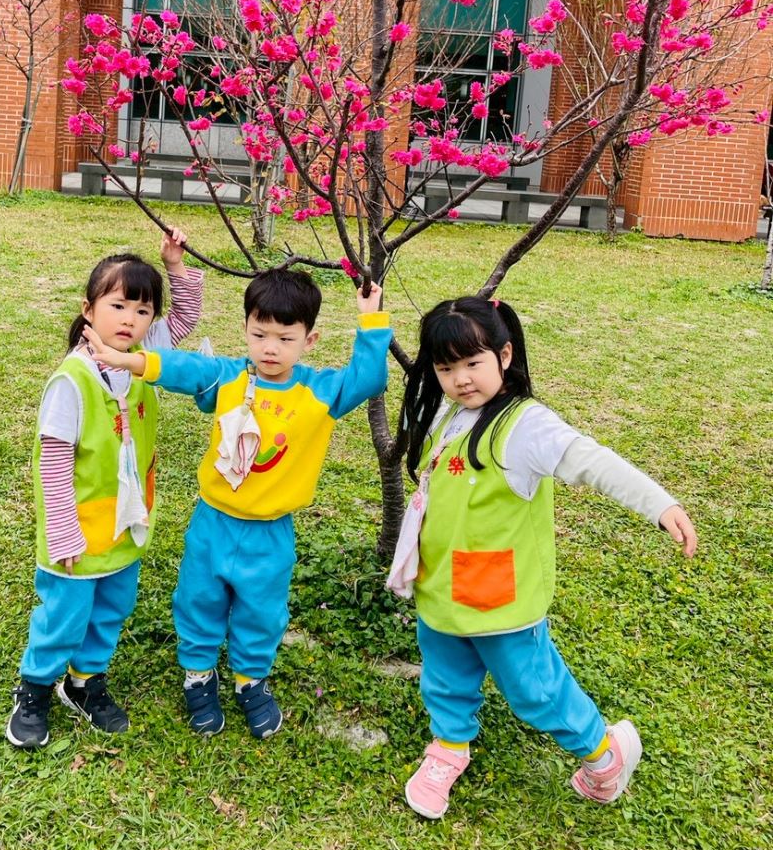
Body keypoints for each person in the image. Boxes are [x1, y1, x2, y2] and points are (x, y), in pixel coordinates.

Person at [389, 295, 697, 819]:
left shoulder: (526, 426)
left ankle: (606, 754)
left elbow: (591, 461)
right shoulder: (447, 412)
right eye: (445, 368)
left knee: (534, 689)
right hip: (440, 582)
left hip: (498, 597)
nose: (460, 380)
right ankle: (449, 746)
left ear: (505, 355)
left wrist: (659, 504)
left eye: (473, 363)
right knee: (444, 673)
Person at [84, 267, 392, 739]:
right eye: (259, 334)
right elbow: (185, 368)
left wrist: (371, 319)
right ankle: (198, 675)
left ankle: (251, 680)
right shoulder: (229, 378)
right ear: (245, 329)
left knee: (261, 610)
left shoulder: (320, 391)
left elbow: (369, 378)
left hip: (270, 532)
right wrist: (131, 361)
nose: (270, 348)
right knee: (198, 600)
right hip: (213, 523)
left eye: (285, 339)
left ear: (309, 341)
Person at [6, 230, 203, 750]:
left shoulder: (140, 358)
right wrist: (63, 530)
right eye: (117, 305)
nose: (130, 319)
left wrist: (175, 267)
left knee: (112, 607)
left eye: (142, 310)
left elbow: (185, 317)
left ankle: (84, 681)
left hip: (125, 521)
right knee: (64, 615)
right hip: (75, 530)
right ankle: (34, 689)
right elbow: (52, 462)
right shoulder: (72, 380)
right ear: (88, 310)